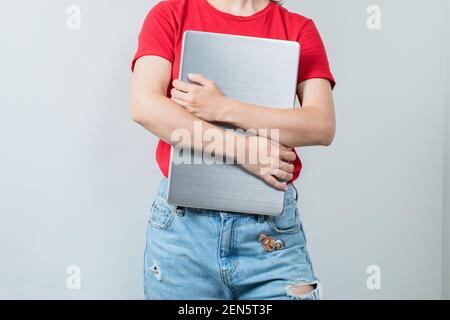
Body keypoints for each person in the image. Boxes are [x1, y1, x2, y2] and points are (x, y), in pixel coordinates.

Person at [131, 0, 335, 300]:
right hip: (184, 234)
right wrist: (243, 151)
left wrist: (223, 107)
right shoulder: (170, 13)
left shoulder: (298, 28)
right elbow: (145, 106)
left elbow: (320, 125)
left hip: (270, 236)